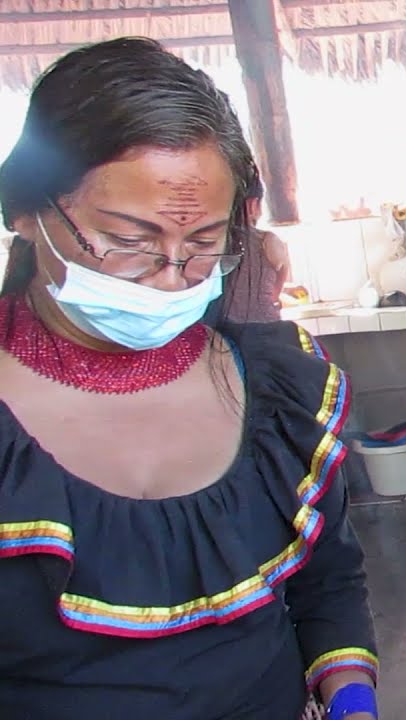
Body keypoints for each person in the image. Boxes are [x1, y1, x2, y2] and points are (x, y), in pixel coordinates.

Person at [0, 38, 378, 720]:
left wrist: (348, 693)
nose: (174, 273)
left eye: (203, 242)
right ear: (27, 213)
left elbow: (328, 581)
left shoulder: (274, 388)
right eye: (127, 239)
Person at [221, 166, 291, 323]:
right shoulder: (268, 241)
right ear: (253, 205)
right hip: (265, 331)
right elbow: (274, 293)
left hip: (221, 335)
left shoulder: (211, 244)